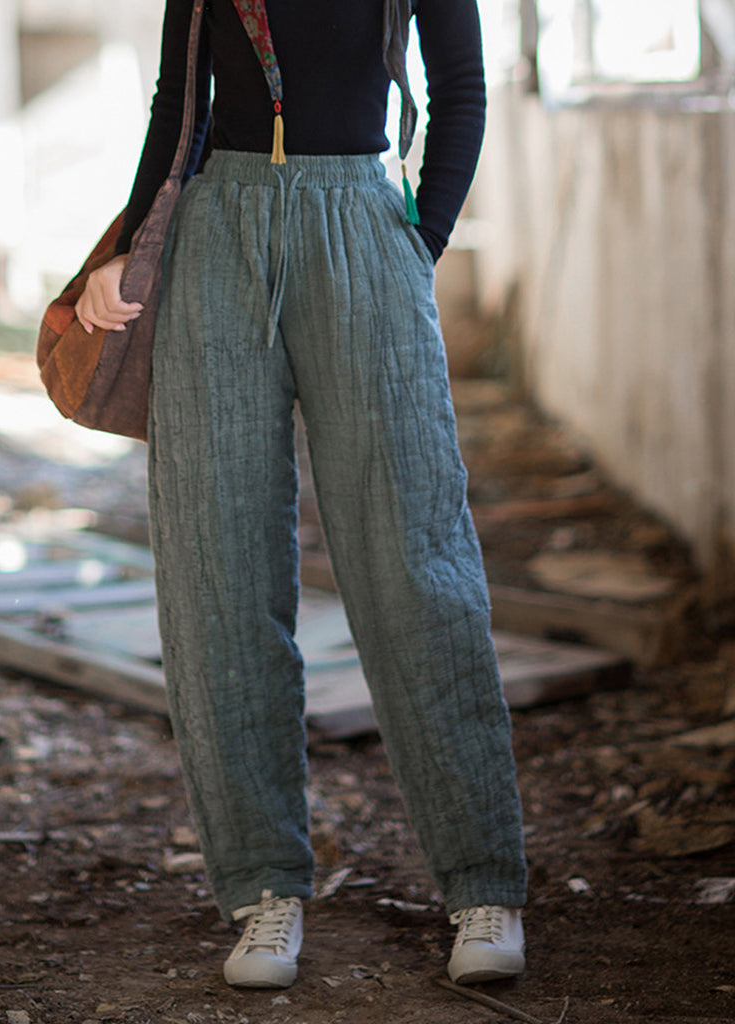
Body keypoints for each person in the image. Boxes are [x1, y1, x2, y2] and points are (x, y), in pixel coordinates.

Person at [75, 0, 527, 991]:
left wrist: (421, 238)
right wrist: (129, 246)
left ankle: (483, 882)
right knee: (216, 564)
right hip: (215, 240)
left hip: (364, 223)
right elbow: (178, 100)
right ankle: (263, 887)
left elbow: (462, 88)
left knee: (414, 561)